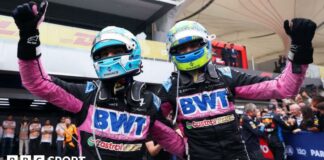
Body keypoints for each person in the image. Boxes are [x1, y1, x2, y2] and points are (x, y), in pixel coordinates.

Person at [13, 1, 184, 160]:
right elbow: (37, 82)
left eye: (115, 51)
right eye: (102, 54)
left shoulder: (148, 101)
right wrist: (29, 37)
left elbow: (177, 144)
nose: (108, 58)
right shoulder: (87, 94)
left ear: (133, 51)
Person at [159, 18, 316, 160]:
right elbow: (151, 123)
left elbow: (283, 88)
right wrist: (183, 149)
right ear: (173, 52)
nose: (189, 51)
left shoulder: (226, 76)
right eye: (182, 48)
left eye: (193, 45)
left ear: (205, 43)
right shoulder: (171, 87)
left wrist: (299, 51)